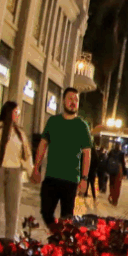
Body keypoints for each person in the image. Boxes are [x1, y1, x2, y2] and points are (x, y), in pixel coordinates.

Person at [31, 88, 92, 230]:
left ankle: (61, 238)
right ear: (63, 101)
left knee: (67, 218)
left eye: (76, 100)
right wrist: (36, 168)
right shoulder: (53, 121)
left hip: (71, 180)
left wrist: (84, 178)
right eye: (70, 99)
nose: (73, 102)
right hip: (51, 176)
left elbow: (87, 154)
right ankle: (57, 234)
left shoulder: (82, 126)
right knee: (46, 212)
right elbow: (42, 145)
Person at [0, 101, 32, 240]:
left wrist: (31, 171)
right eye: (16, 112)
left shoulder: (19, 132)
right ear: (8, 112)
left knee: (12, 211)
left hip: (15, 173)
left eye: (19, 113)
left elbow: (26, 155)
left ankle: (10, 242)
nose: (18, 115)